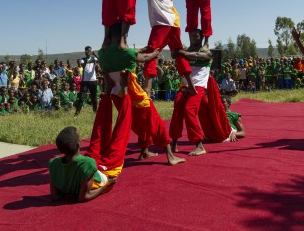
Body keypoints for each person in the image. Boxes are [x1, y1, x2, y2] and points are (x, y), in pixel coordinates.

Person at [97, 23, 184, 166]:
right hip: (136, 97)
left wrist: (140, 50)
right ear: (122, 36)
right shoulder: (128, 53)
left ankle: (144, 150)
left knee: (139, 124)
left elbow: (126, 54)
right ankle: (170, 156)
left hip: (118, 97)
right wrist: (155, 53)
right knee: (156, 123)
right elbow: (144, 58)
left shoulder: (102, 53)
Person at [141, 0, 195, 97]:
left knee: (151, 54)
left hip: (161, 24)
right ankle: (190, 85)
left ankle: (146, 92)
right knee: (178, 53)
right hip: (174, 23)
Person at [169, 29, 212, 156]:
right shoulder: (185, 51)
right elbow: (173, 55)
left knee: (189, 110)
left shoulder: (206, 51)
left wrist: (181, 52)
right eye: (192, 35)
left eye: (196, 35)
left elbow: (200, 56)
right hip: (185, 85)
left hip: (198, 86)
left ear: (201, 37)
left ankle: (199, 145)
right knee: (177, 110)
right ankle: (174, 142)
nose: (194, 38)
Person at [49, 126, 116, 203]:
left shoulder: (53, 163)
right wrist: (105, 186)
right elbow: (84, 197)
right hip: (96, 182)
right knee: (103, 175)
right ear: (78, 145)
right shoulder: (88, 163)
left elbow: (55, 196)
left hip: (73, 184)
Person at [75, 46, 99, 115]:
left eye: (89, 51)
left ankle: (95, 111)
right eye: (87, 51)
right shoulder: (82, 59)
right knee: (81, 97)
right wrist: (87, 60)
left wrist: (95, 55)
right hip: (85, 81)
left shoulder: (94, 58)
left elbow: (100, 61)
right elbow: (83, 66)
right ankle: (77, 113)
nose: (88, 52)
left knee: (94, 97)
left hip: (93, 80)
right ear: (85, 51)